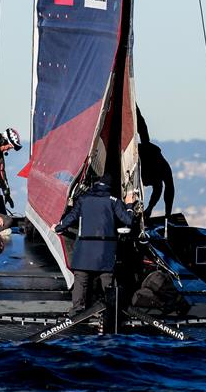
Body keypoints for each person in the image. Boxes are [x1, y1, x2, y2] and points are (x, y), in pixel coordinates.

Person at [51, 174, 135, 315]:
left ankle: (77, 310)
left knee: (80, 279)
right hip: (105, 248)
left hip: (84, 247)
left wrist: (57, 228)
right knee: (107, 279)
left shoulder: (84, 199)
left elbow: (71, 217)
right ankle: (111, 310)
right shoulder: (113, 201)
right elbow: (128, 220)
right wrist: (129, 205)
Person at [136, 106, 175, 217]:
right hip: (141, 157)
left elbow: (170, 189)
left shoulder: (163, 168)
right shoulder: (147, 154)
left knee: (159, 186)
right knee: (144, 134)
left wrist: (167, 214)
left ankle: (148, 210)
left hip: (148, 160)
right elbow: (142, 128)